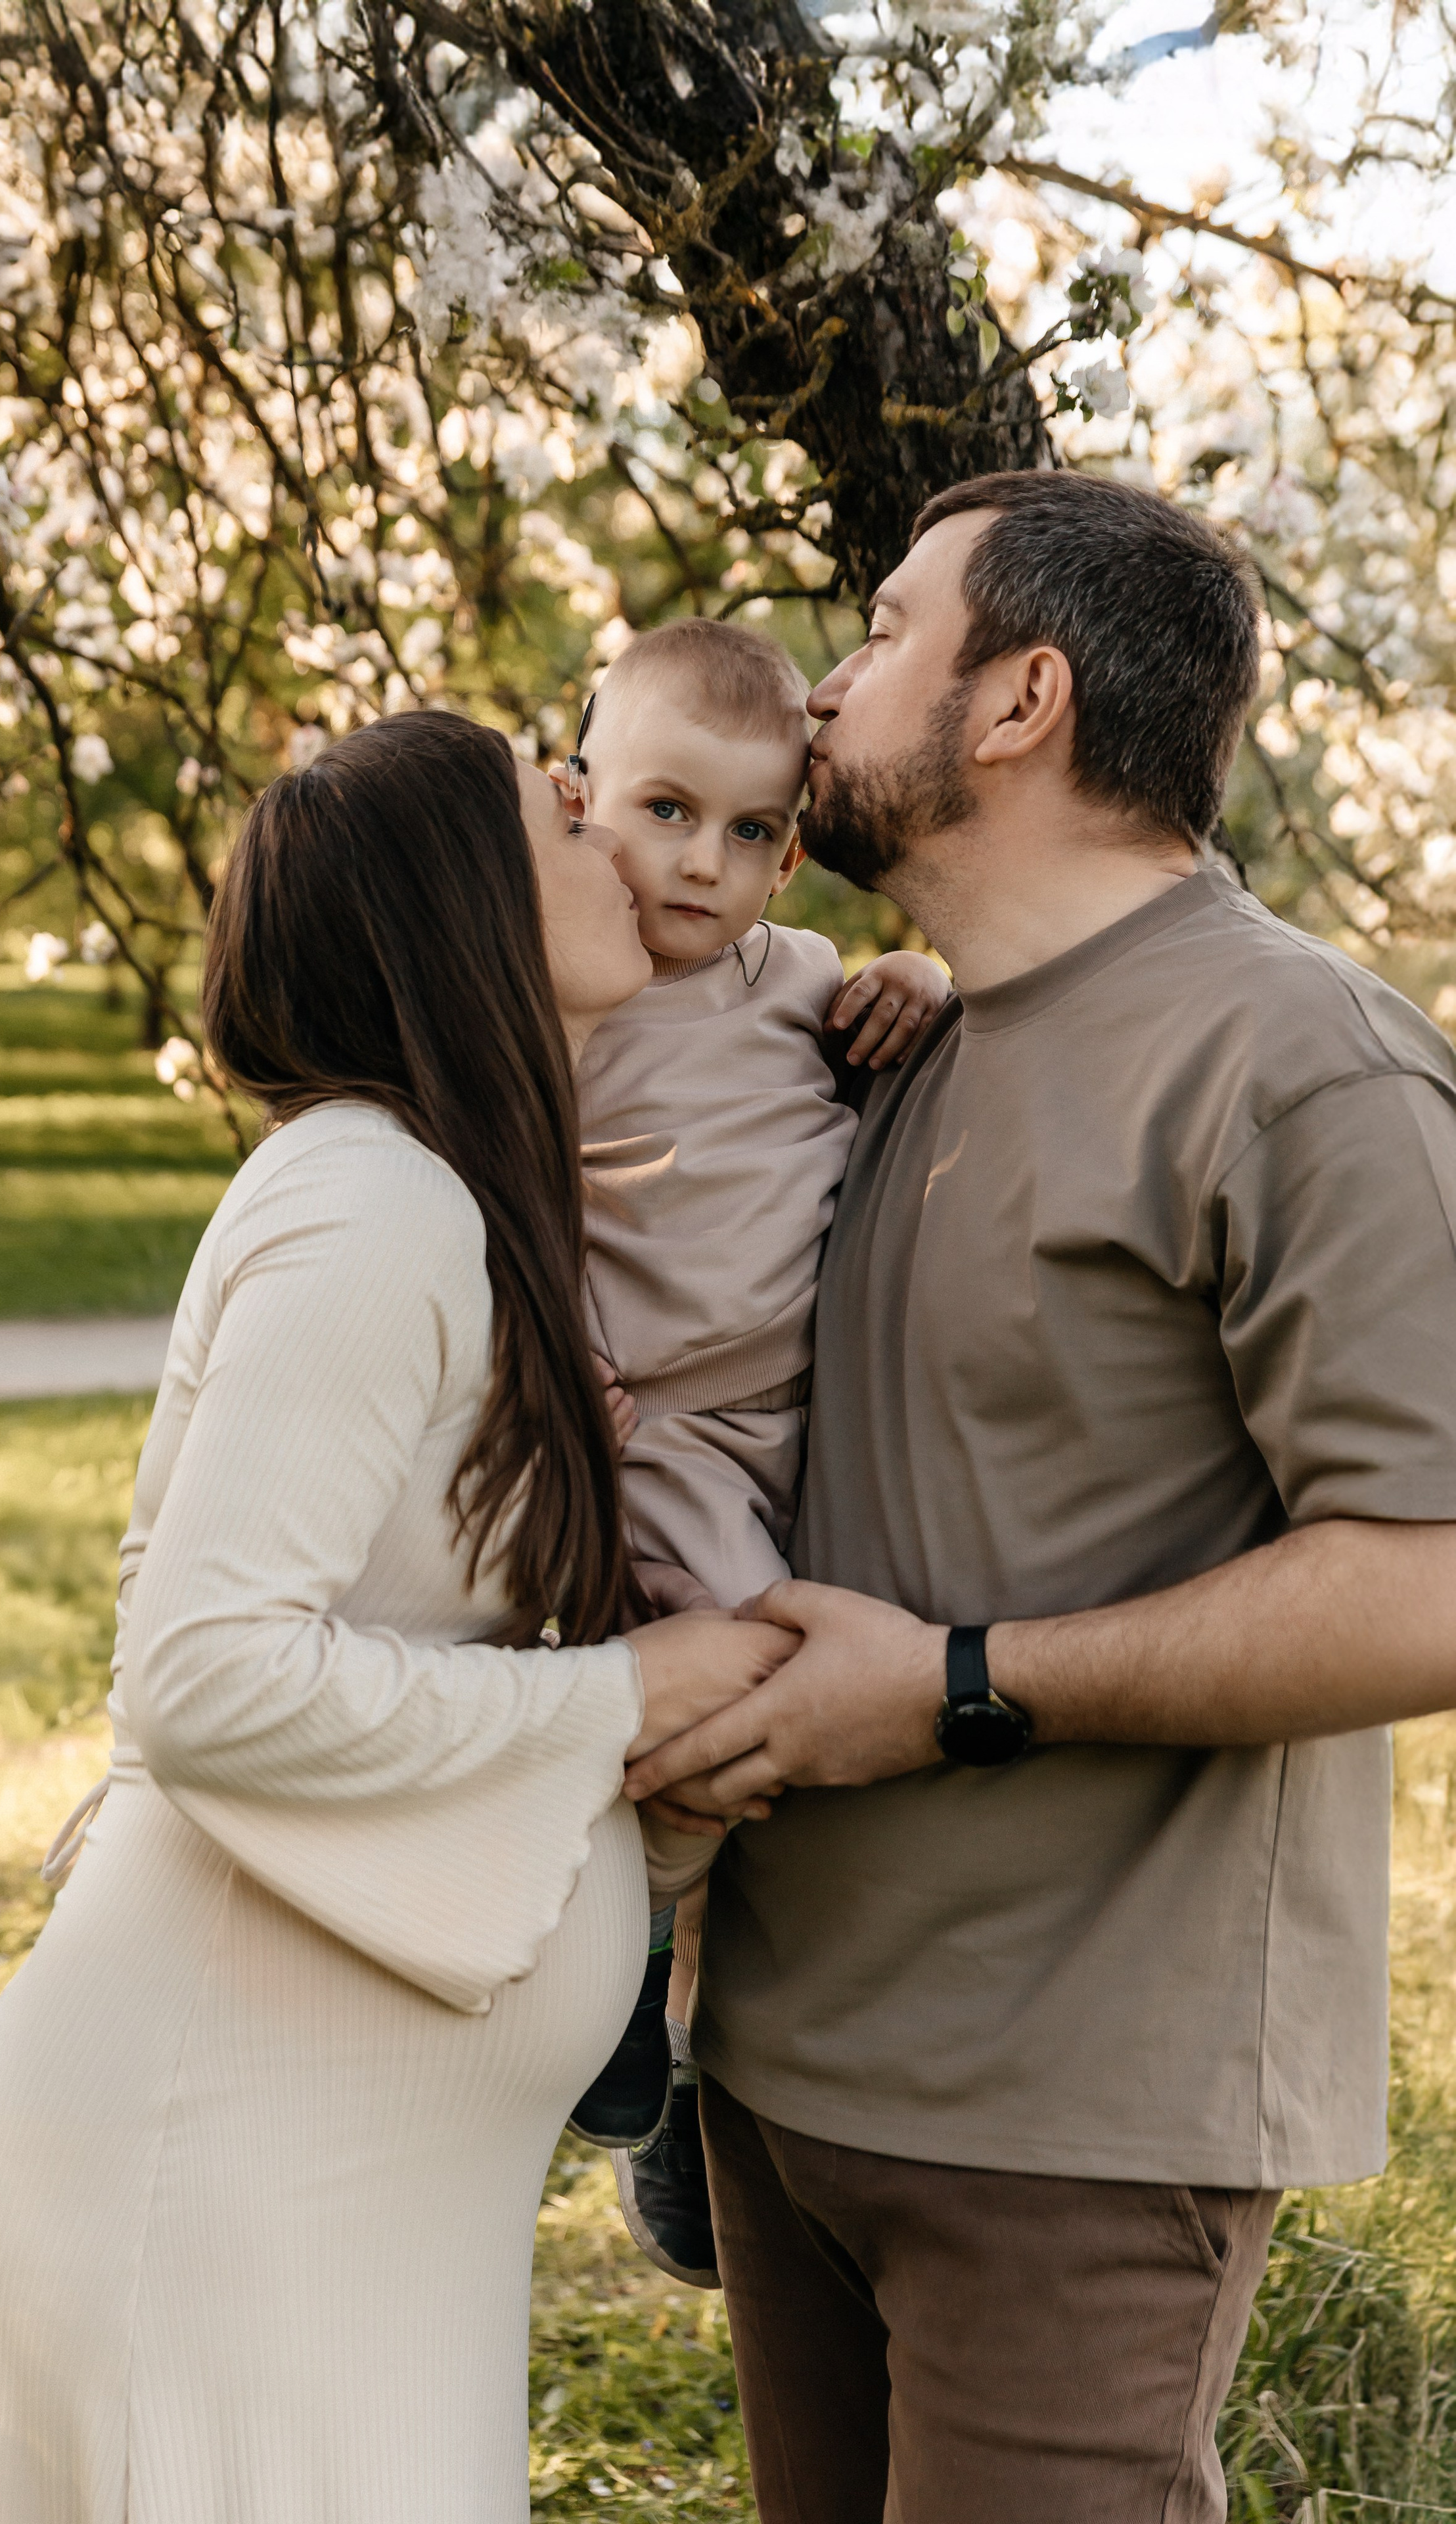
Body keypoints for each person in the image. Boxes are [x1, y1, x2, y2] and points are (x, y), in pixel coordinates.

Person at [626, 470, 1456, 2523]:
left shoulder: (1307, 1065)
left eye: (887, 630)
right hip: (784, 2065)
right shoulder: (882, 1040)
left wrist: (959, 1684)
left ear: (1020, 701)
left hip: (1077, 2115)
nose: (826, 686)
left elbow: (1432, 1579)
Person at [0, 711, 798, 2524]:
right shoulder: (374, 1205)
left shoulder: (460, 1212)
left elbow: (367, 1633)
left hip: (330, 2203)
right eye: (563, 820)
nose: (614, 841)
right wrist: (625, 1696)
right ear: (462, 905)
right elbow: (204, 1673)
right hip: (213, 2183)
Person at [557, 616, 950, 2287]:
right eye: (660, 811)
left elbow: (915, 1018)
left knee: (757, 1708)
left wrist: (921, 977)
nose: (698, 866)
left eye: (744, 833)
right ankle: (629, 1985)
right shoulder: (560, 985)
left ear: (791, 850)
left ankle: (681, 2014)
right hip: (644, 1426)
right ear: (581, 802)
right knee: (725, 1689)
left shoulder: (797, 984)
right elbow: (486, 1162)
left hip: (780, 1419)